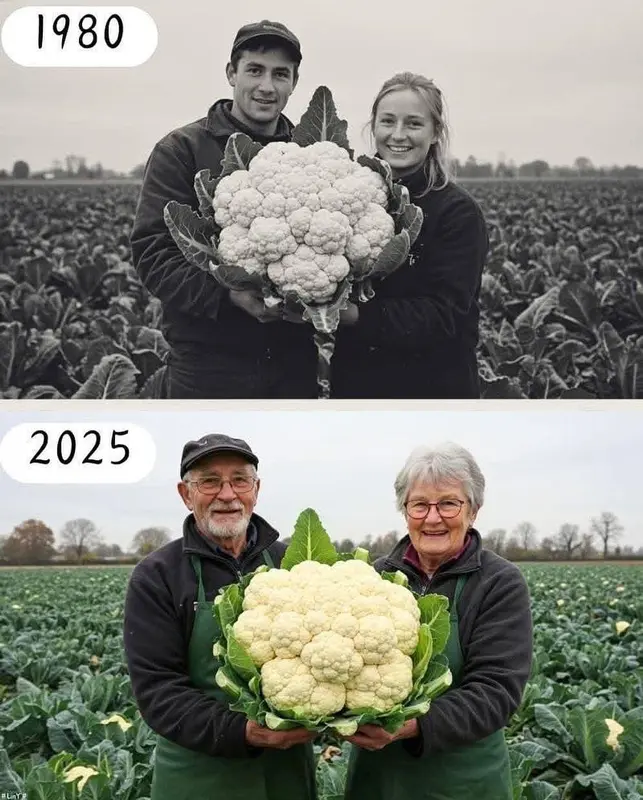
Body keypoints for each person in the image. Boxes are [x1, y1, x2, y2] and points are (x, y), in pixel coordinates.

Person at [123, 433, 317, 800]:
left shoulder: (294, 563)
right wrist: (244, 731)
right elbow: (158, 691)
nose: (227, 494)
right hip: (199, 777)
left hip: (287, 775)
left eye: (239, 480)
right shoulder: (158, 575)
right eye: (210, 481)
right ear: (186, 494)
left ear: (255, 489)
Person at [130, 21, 318, 399]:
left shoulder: (310, 154)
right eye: (255, 70)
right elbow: (152, 254)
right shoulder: (181, 149)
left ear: (294, 83)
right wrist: (228, 297)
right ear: (232, 73)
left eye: (280, 74)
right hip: (207, 364)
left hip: (294, 363)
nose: (267, 86)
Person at [342, 442, 533, 800]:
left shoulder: (499, 582)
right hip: (378, 779)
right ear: (405, 510)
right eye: (420, 505)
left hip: (465, 779)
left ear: (473, 510)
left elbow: (497, 691)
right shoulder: (374, 577)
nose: (432, 518)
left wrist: (411, 726)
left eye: (448, 503)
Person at [330, 73, 490, 398]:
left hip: (432, 390)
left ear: (435, 133)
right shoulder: (347, 198)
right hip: (354, 385)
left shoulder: (457, 212)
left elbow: (446, 316)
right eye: (387, 121)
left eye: (414, 124)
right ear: (373, 127)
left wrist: (355, 314)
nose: (398, 135)